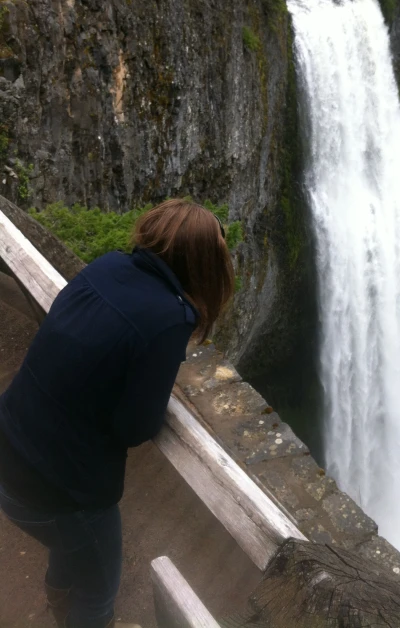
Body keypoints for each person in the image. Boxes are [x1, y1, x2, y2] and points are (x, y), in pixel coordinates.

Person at [0, 199, 234, 628]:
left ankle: (60, 605)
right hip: (59, 490)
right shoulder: (169, 318)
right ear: (203, 266)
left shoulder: (108, 266)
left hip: (10, 450)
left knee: (72, 548)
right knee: (99, 589)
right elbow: (135, 427)